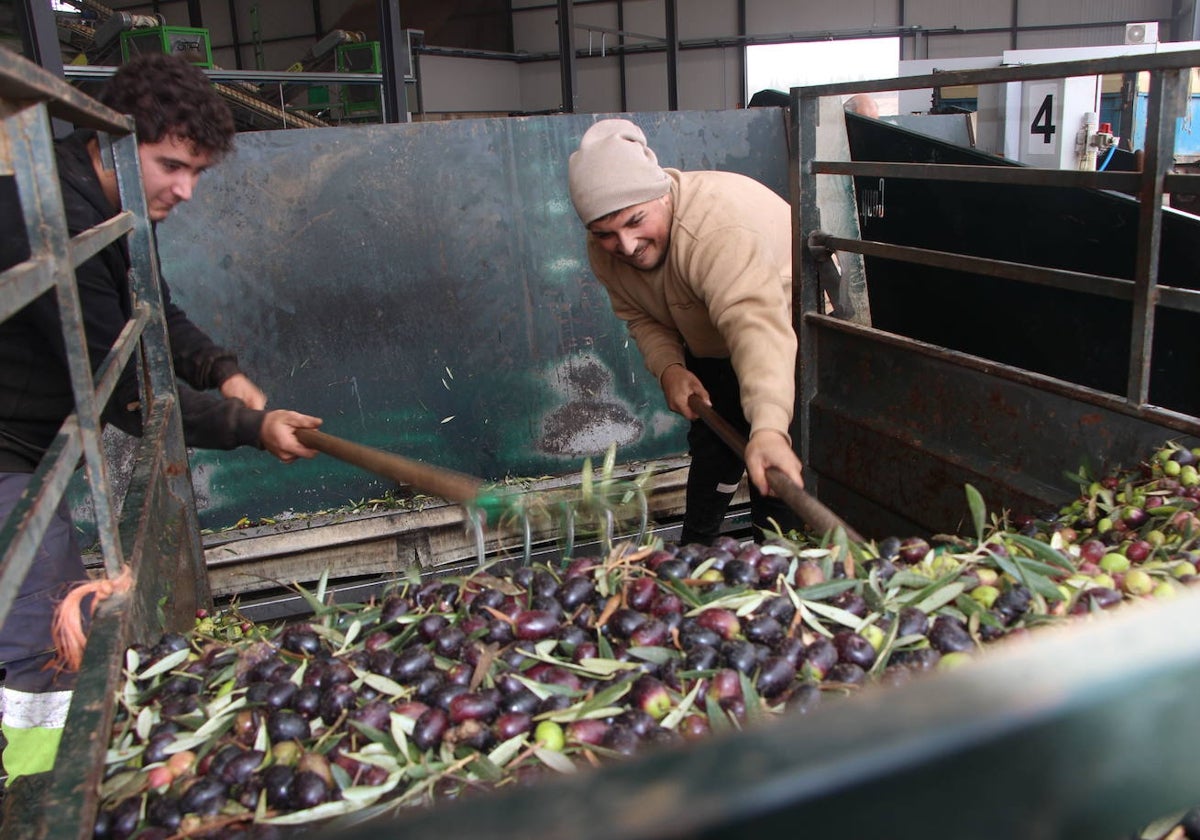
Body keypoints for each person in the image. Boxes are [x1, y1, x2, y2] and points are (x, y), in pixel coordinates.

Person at [0, 53, 322, 782]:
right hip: (9, 451)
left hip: (29, 444)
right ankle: (37, 794)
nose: (185, 189)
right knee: (36, 639)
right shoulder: (48, 217)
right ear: (115, 141)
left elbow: (155, 313)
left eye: (199, 172)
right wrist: (252, 428)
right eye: (171, 164)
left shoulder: (104, 203)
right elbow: (126, 398)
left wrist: (225, 373)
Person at [567, 118, 805, 547]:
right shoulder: (606, 248)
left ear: (661, 193)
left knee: (774, 468)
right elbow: (642, 316)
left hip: (786, 327)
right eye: (606, 233)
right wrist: (670, 368)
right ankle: (694, 553)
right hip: (709, 327)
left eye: (636, 220)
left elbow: (756, 329)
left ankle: (777, 567)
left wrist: (769, 427)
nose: (626, 244)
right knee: (715, 444)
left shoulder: (715, 229)